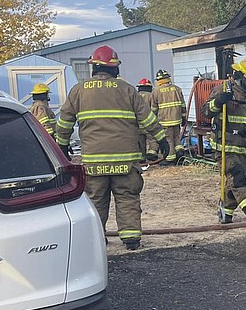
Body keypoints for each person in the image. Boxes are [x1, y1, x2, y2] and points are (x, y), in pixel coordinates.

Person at [55, 46, 167, 250]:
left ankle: (98, 238)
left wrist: (61, 145)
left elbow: (64, 121)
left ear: (94, 68)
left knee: (96, 199)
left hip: (94, 161)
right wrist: (162, 140)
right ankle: (131, 239)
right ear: (114, 69)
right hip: (125, 160)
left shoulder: (79, 91)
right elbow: (148, 119)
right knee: (127, 197)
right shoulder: (127, 89)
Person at [206, 56, 246, 223]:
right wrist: (218, 102)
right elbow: (206, 111)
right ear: (239, 77)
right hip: (224, 145)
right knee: (237, 176)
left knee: (233, 181)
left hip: (242, 145)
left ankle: (226, 212)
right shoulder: (223, 90)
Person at [153, 69, 188, 163]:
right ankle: (180, 154)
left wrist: (153, 119)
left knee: (168, 139)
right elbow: (183, 105)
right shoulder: (177, 89)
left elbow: (154, 108)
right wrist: (184, 117)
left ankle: (170, 159)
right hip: (177, 119)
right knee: (176, 137)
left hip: (165, 120)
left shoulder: (156, 91)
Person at [136, 78, 160, 161]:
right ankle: (152, 153)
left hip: (138, 124)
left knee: (140, 141)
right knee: (152, 138)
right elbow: (154, 108)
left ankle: (141, 157)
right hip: (149, 122)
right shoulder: (151, 96)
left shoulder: (135, 96)